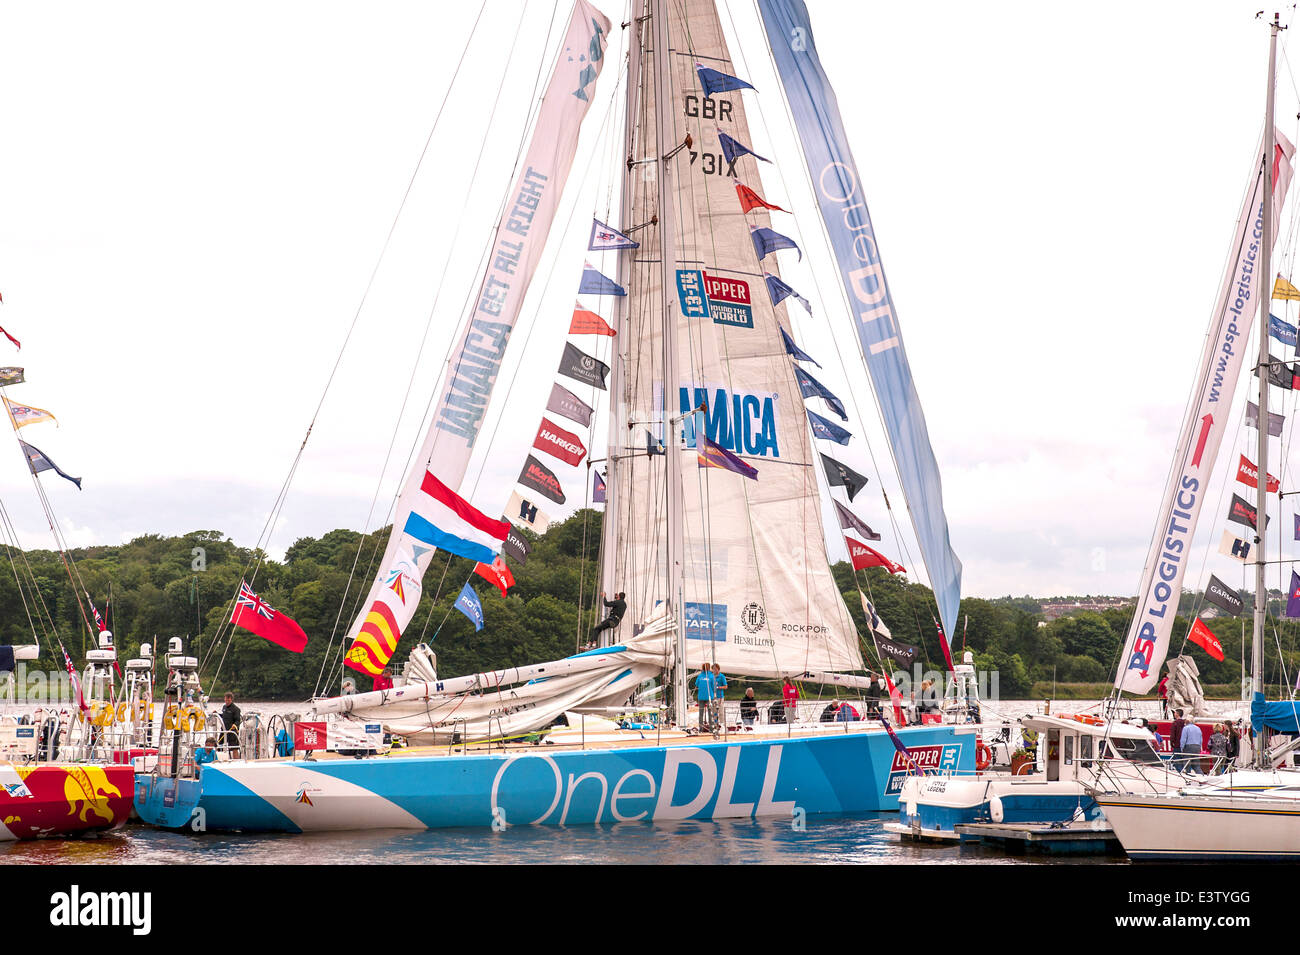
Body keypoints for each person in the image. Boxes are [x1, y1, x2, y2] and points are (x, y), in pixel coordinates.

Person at [220, 692, 242, 759]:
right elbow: (223, 716)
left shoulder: (236, 709)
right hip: (224, 730)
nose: (227, 702)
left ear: (231, 700)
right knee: (219, 745)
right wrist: (217, 714)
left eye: (228, 700)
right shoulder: (224, 707)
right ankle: (221, 758)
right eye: (226, 700)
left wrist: (235, 725)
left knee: (234, 748)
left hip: (232, 731)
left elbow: (238, 720)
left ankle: (236, 760)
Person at [694, 667, 715, 732]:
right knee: (710, 713)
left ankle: (701, 728)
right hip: (709, 696)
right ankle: (711, 729)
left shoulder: (700, 676)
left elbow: (696, 684)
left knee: (701, 713)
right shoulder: (711, 676)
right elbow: (713, 686)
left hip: (701, 696)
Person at [710, 663, 727, 729]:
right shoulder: (711, 676)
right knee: (714, 712)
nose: (714, 670)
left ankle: (722, 724)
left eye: (715, 669)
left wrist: (719, 687)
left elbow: (725, 686)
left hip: (720, 696)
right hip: (713, 696)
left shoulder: (721, 676)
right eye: (713, 669)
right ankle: (715, 724)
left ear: (718, 669)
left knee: (720, 711)